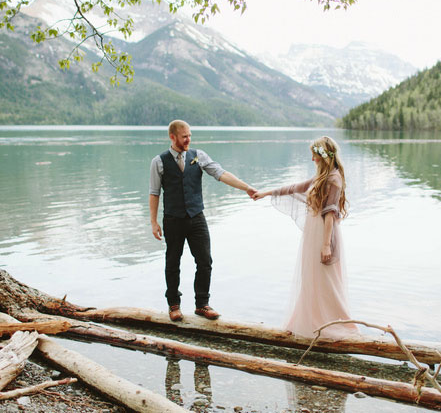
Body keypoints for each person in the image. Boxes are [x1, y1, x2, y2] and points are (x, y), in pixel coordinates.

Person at [149, 120, 255, 322]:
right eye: (184, 136)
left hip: (197, 218)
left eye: (190, 135)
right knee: (173, 262)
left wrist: (246, 188)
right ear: (172, 137)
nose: (188, 139)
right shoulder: (159, 161)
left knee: (205, 261)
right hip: (172, 219)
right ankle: (174, 305)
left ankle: (202, 304)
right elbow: (154, 193)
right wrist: (154, 222)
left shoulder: (199, 156)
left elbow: (221, 174)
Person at [253, 136, 357, 339]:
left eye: (314, 155)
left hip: (324, 235)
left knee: (326, 280)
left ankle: (334, 324)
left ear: (323, 156)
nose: (312, 159)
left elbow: (330, 213)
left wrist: (326, 245)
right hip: (314, 233)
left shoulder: (333, 178)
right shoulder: (322, 176)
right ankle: (309, 321)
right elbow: (297, 187)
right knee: (311, 278)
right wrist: (266, 193)